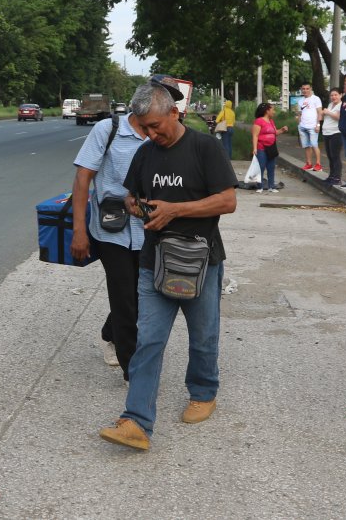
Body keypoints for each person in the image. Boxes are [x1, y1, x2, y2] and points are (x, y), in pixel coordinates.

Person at [98, 77, 238, 451]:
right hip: (154, 260)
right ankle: (136, 421)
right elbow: (131, 196)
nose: (150, 134)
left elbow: (227, 201)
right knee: (148, 340)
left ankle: (204, 391)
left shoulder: (204, 148)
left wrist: (178, 210)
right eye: (144, 128)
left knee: (203, 336)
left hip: (201, 261)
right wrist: (134, 206)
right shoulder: (145, 153)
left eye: (156, 126)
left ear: (174, 113)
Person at [70, 100, 149, 377]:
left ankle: (109, 331)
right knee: (124, 296)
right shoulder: (108, 129)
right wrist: (79, 230)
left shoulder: (162, 131)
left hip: (149, 229)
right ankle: (132, 370)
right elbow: (83, 178)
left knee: (143, 294)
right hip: (111, 230)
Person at [250, 102, 288, 193]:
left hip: (271, 148)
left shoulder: (271, 121)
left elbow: (275, 133)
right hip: (261, 147)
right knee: (261, 166)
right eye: (272, 109)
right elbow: (255, 135)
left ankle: (271, 186)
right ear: (267, 111)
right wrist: (255, 148)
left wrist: (282, 130)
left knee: (271, 167)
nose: (274, 112)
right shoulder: (259, 121)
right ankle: (260, 186)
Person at [297, 83, 323, 171]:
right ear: (301, 89)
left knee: (314, 145)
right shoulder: (300, 100)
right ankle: (309, 163)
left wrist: (318, 125)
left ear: (311, 88)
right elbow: (300, 113)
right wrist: (299, 124)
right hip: (302, 126)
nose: (305, 90)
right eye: (303, 88)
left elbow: (320, 112)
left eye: (307, 88)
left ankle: (318, 164)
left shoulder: (316, 99)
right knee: (306, 146)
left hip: (313, 126)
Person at [322, 88, 344, 186]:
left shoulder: (341, 105)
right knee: (330, 156)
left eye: (335, 95)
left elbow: (338, 117)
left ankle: (337, 177)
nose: (333, 97)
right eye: (332, 95)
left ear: (340, 95)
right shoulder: (330, 105)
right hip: (326, 132)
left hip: (336, 133)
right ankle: (331, 175)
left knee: (335, 156)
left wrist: (327, 112)